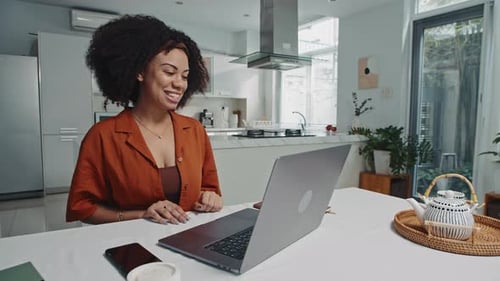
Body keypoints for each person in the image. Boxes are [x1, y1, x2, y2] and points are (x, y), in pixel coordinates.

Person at [66, 14, 222, 225]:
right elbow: (82, 208)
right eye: (169, 72)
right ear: (139, 72)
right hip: (129, 246)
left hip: (188, 241)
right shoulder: (103, 136)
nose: (179, 84)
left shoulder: (194, 130)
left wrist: (211, 198)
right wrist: (141, 214)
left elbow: (210, 189)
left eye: (185, 76)